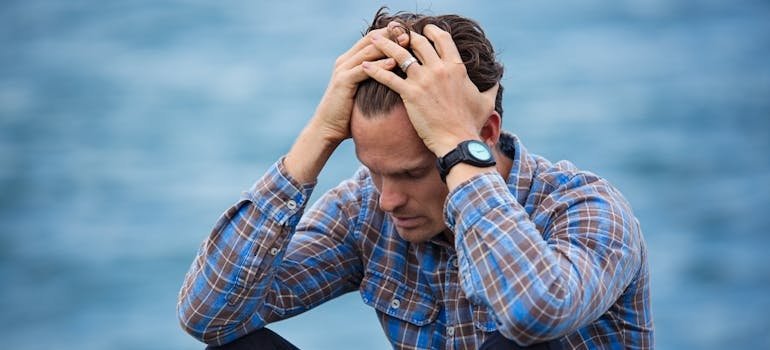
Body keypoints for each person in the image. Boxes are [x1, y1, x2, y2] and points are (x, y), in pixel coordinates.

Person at [177, 8, 654, 350]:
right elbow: (209, 317)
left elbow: (534, 312)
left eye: (410, 172)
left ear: (485, 135)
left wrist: (455, 145)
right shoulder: (366, 208)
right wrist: (318, 136)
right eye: (372, 170)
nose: (387, 199)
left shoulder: (586, 210)